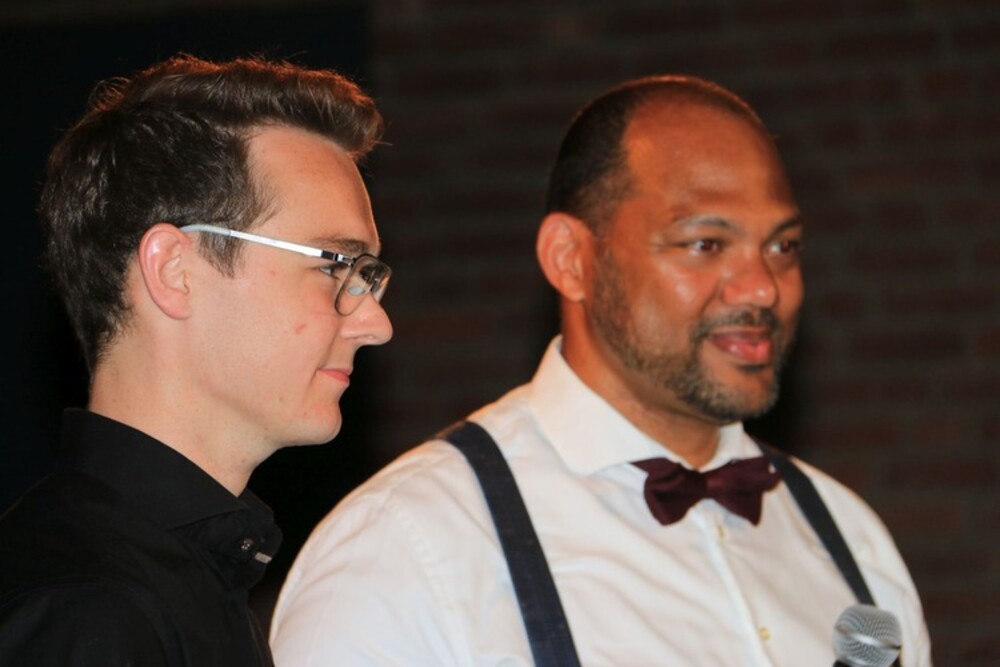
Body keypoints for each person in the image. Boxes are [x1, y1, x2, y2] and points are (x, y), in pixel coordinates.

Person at [269, 75, 932, 665]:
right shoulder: (409, 549)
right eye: (705, 243)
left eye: (782, 246)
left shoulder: (851, 539)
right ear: (572, 259)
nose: (762, 286)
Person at [0, 54, 392, 666]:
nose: (376, 324)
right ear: (174, 271)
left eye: (367, 276)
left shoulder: (188, 577)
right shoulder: (87, 608)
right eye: (334, 266)